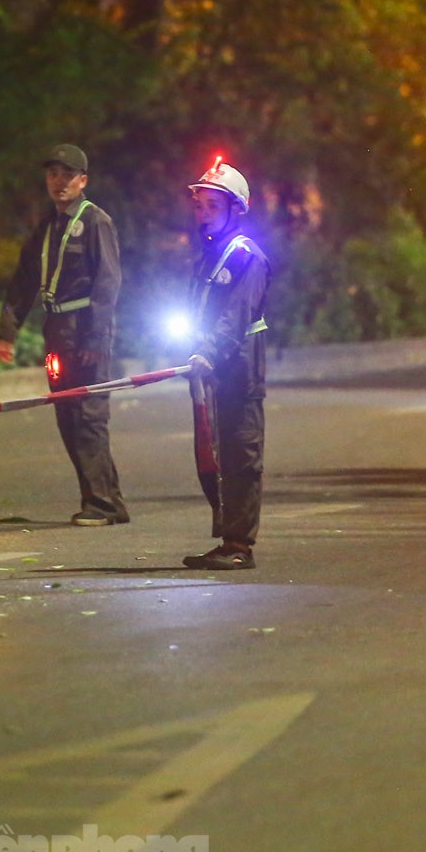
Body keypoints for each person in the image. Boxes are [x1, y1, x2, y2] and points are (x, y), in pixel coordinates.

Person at [0, 144, 129, 526]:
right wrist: (8, 330)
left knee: (88, 417)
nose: (59, 182)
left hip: (84, 333)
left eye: (67, 175)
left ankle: (101, 505)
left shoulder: (96, 222)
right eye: (53, 174)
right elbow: (24, 280)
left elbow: (108, 283)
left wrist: (94, 340)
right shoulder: (48, 225)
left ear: (83, 181)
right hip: (56, 332)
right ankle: (108, 500)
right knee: (68, 418)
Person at [180, 157, 271, 571]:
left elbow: (233, 316)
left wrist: (210, 352)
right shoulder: (207, 254)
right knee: (213, 458)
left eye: (213, 207)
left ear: (236, 209)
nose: (203, 214)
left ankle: (239, 545)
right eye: (199, 206)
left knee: (240, 456)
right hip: (209, 370)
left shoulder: (244, 256)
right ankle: (225, 538)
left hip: (238, 371)